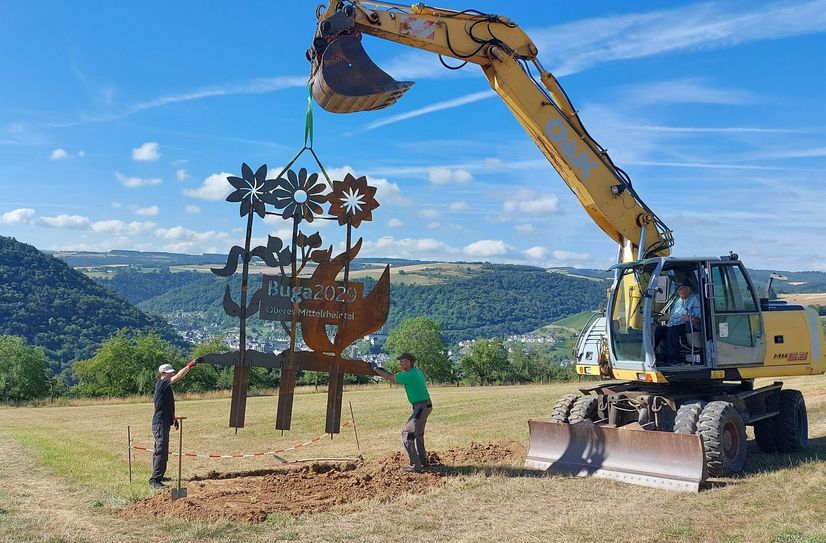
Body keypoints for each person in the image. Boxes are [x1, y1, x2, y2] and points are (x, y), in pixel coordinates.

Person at [369, 353, 432, 473]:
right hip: (425, 405)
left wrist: (375, 368)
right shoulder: (415, 371)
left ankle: (416, 466)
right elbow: (392, 376)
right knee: (418, 434)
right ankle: (423, 461)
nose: (400, 364)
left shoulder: (410, 375)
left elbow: (391, 377)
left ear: (408, 363)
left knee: (407, 435)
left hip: (421, 407)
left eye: (401, 362)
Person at [149, 358, 197, 489]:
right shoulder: (162, 383)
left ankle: (159, 475)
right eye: (169, 373)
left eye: (171, 372)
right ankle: (155, 480)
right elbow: (179, 376)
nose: (171, 374)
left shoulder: (166, 387)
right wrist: (190, 366)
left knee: (162, 449)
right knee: (161, 450)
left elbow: (165, 405)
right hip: (159, 423)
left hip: (164, 421)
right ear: (162, 373)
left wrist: (173, 418)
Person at [655, 282, 701, 364]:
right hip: (674, 323)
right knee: (659, 330)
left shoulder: (696, 300)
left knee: (672, 331)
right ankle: (654, 354)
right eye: (678, 290)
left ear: (688, 290)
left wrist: (690, 318)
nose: (678, 292)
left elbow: (701, 319)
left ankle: (674, 358)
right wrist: (660, 318)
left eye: (680, 289)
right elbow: (673, 315)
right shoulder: (679, 301)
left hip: (688, 325)